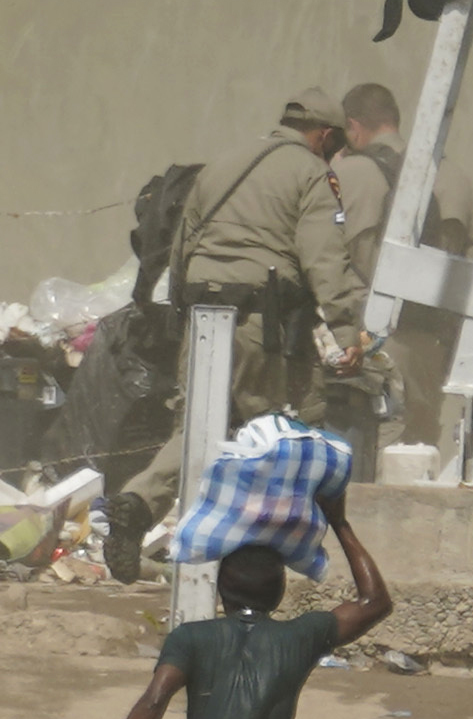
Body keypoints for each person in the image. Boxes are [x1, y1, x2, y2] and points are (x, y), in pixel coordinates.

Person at [111, 96, 372, 560]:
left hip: (202, 314)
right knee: (278, 427)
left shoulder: (221, 164)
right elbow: (325, 259)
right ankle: (263, 556)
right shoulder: (311, 174)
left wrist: (179, 322)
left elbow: (182, 247)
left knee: (197, 424)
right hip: (260, 322)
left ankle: (136, 503)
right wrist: (347, 332)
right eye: (335, 148)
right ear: (326, 136)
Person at [84, 499, 392, 719]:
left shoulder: (191, 639)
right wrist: (340, 523)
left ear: (221, 589)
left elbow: (153, 701)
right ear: (278, 594)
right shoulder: (299, 638)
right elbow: (375, 602)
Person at [333, 79, 473, 408]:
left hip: (364, 343)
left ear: (353, 127)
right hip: (432, 344)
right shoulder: (455, 176)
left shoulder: (345, 173)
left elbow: (323, 258)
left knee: (364, 448)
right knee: (419, 451)